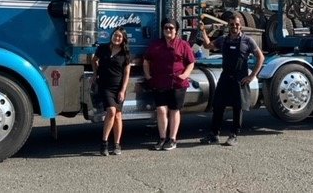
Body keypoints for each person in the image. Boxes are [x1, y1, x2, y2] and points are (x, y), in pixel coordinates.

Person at [199, 15, 264, 146]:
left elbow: (261, 57)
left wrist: (252, 76)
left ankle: (234, 135)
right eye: (232, 24)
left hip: (239, 79)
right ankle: (214, 135)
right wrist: (203, 31)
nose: (234, 26)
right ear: (228, 26)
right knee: (218, 105)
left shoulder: (247, 41)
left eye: (237, 24)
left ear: (240, 26)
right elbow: (208, 46)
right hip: (225, 76)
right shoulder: (223, 39)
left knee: (237, 107)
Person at [143, 17, 195, 151]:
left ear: (176, 30)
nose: (168, 30)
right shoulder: (155, 45)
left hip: (177, 83)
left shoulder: (183, 45)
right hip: (159, 81)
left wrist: (184, 75)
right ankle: (161, 138)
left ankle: (172, 139)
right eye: (166, 27)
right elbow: (146, 61)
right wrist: (148, 76)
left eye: (171, 28)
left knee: (174, 110)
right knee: (160, 109)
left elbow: (191, 62)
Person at [92, 27, 131, 156]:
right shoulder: (103, 48)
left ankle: (117, 144)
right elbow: (94, 60)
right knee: (111, 111)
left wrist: (122, 90)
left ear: (123, 39)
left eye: (120, 36)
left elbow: (126, 74)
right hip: (105, 86)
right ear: (112, 35)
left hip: (118, 88)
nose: (117, 38)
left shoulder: (125, 53)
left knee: (118, 115)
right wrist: (95, 73)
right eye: (115, 35)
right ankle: (104, 143)